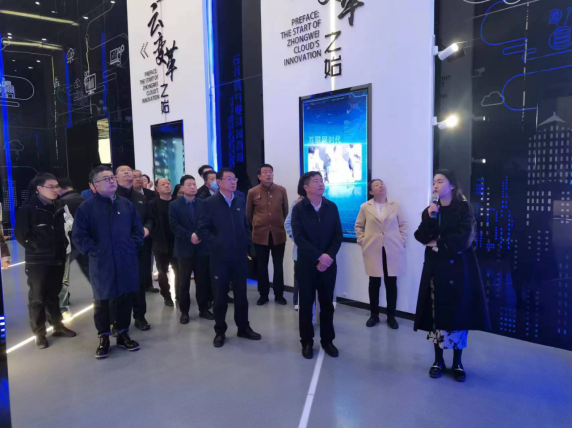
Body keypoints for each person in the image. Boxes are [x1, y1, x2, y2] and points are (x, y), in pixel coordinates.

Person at [414, 169, 491, 382]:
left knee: (459, 315)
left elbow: (465, 238)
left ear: (452, 185)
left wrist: (438, 243)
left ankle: (457, 362)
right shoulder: (431, 209)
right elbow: (420, 236)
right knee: (436, 315)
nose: (435, 185)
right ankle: (438, 360)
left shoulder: (464, 207)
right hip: (435, 269)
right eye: (434, 182)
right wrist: (429, 218)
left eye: (440, 181)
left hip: (458, 269)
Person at [72, 166, 144, 359]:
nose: (112, 181)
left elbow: (138, 230)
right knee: (102, 300)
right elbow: (79, 235)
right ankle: (103, 337)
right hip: (102, 262)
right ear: (95, 185)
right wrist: (94, 250)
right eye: (106, 179)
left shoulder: (126, 205)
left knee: (125, 298)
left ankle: (123, 334)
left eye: (112, 177)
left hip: (126, 260)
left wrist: (132, 245)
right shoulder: (87, 207)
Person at [196, 168, 261, 348]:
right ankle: (220, 331)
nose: (233, 182)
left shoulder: (239, 200)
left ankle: (243, 327)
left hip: (239, 256)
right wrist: (217, 243)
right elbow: (202, 228)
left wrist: (246, 241)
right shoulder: (209, 203)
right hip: (219, 258)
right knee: (220, 297)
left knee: (241, 295)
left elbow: (245, 225)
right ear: (219, 182)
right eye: (229, 179)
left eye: (235, 179)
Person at [15, 173, 77, 349]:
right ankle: (39, 333)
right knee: (38, 297)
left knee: (54, 295)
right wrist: (37, 248)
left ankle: (57, 326)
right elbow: (21, 234)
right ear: (39, 189)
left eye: (57, 186)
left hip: (58, 257)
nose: (55, 190)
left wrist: (63, 246)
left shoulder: (58, 205)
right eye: (51, 186)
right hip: (38, 261)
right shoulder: (28, 209)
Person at [292, 171, 342, 360]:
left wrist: (328, 257)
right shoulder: (299, 209)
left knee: (327, 304)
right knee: (306, 304)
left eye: (321, 181)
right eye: (316, 181)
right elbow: (299, 238)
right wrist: (319, 256)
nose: (321, 184)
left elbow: (337, 235)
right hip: (306, 265)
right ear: (306, 187)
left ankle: (328, 341)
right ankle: (306, 342)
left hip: (328, 265)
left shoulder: (331, 207)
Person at [355, 179, 407, 330]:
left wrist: (402, 241)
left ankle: (391, 316)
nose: (381, 186)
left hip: (392, 249)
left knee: (391, 284)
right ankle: (374, 315)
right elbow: (359, 226)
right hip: (373, 249)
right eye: (376, 185)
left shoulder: (395, 205)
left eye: (382, 184)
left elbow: (403, 224)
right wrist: (363, 241)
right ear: (371, 191)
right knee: (374, 283)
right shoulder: (365, 207)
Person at [115, 165, 156, 332]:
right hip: (118, 249)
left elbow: (149, 219)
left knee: (139, 284)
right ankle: (117, 321)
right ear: (115, 177)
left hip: (139, 247)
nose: (127, 172)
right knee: (118, 286)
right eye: (122, 170)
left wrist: (147, 228)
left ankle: (140, 316)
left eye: (129, 170)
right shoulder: (111, 196)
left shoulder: (140, 197)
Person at [169, 175, 214, 324]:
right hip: (184, 248)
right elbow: (174, 226)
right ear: (182, 187)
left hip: (201, 247)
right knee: (184, 282)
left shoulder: (203, 203)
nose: (193, 187)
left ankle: (203, 309)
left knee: (202, 281)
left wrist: (198, 234)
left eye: (194, 184)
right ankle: (184, 312)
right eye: (189, 184)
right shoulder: (174, 205)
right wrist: (190, 236)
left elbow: (207, 222)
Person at [246, 164, 289, 306]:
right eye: (265, 172)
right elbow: (248, 214)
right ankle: (263, 294)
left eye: (270, 172)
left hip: (278, 234)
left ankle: (279, 294)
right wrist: (258, 224)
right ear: (259, 176)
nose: (268, 174)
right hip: (260, 235)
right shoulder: (252, 192)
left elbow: (285, 211)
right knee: (262, 266)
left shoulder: (281, 190)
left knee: (278, 266)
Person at [58, 179, 89, 319]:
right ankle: (102, 298)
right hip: (84, 243)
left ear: (60, 188)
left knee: (63, 277)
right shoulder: (84, 200)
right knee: (91, 272)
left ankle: (62, 307)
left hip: (67, 244)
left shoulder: (61, 203)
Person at [147, 178, 178, 306]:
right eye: (163, 184)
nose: (166, 186)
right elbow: (150, 221)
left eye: (168, 183)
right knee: (162, 271)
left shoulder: (177, 201)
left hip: (177, 242)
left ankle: (180, 294)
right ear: (157, 189)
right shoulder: (152, 204)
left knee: (179, 270)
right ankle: (166, 295)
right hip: (160, 242)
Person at [284, 177, 306, 310]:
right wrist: (298, 239)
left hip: (319, 252)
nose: (320, 184)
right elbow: (288, 224)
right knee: (299, 277)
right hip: (301, 250)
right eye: (315, 181)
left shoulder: (325, 203)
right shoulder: (297, 204)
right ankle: (297, 301)